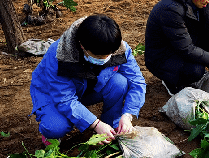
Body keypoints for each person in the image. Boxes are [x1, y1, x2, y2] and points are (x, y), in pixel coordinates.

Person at [30, 14, 147, 145]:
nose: (104, 59)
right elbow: (65, 99)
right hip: (53, 94)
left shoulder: (117, 47)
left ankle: (109, 128)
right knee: (55, 127)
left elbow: (137, 81)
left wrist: (128, 115)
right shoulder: (59, 55)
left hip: (88, 87)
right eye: (98, 56)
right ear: (82, 46)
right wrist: (95, 124)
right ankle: (52, 134)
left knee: (119, 83)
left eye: (108, 55)